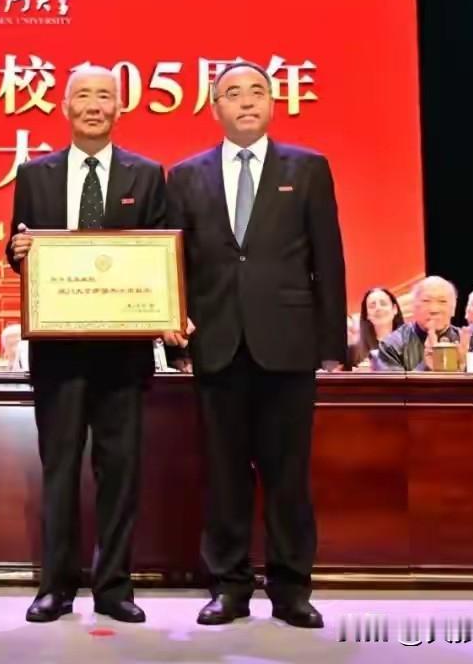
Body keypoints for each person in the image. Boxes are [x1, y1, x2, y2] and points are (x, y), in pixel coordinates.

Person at [164, 61, 347, 629]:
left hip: (288, 344)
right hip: (217, 342)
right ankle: (229, 586)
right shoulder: (185, 175)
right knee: (224, 475)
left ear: (272, 103)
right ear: (215, 107)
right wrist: (174, 332)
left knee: (288, 475)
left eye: (257, 92)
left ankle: (292, 589)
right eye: (233, 93)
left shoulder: (308, 168)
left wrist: (331, 346)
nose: (246, 101)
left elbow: (328, 258)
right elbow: (175, 261)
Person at [7, 64, 168, 625]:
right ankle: (56, 586)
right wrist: (18, 252)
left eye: (105, 95)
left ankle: (114, 587)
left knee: (120, 472)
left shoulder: (147, 175)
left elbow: (161, 254)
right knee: (59, 471)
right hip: (58, 351)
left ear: (119, 107)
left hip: (123, 352)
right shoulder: (35, 175)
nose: (94, 104)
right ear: (65, 106)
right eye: (84, 95)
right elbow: (19, 248)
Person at [374, 276, 473, 371]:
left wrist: (463, 367)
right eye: (426, 301)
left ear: (453, 309)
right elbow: (391, 385)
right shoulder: (392, 345)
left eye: (442, 301)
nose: (434, 309)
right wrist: (425, 367)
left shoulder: (471, 342)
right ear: (413, 306)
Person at [349, 288, 404, 369]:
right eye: (372, 306)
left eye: (383, 304)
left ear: (394, 309)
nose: (378, 308)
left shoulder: (412, 346)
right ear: (367, 315)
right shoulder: (353, 352)